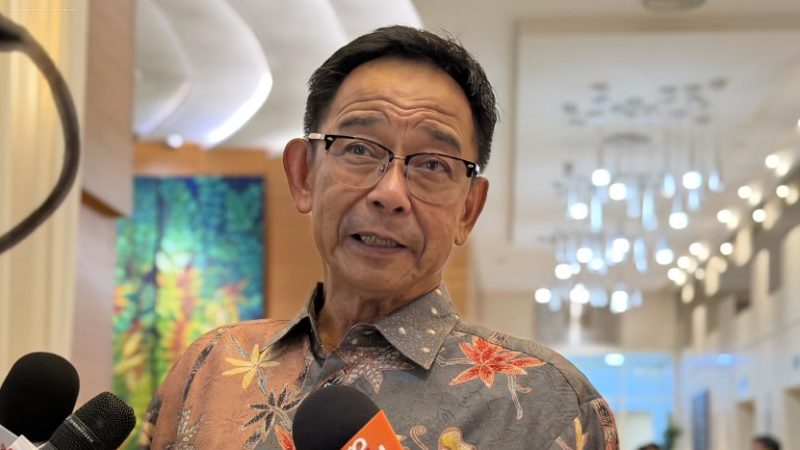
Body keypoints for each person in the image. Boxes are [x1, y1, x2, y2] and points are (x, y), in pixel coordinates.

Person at [140, 25, 619, 449]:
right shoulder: (212, 367)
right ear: (304, 175)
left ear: (468, 210)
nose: (390, 194)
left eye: (433, 164)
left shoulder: (546, 406)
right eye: (359, 149)